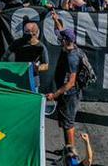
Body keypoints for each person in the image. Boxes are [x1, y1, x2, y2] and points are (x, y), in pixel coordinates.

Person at [46, 17, 84, 150]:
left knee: (68, 124)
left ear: (65, 41)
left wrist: (54, 95)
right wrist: (55, 19)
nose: (58, 38)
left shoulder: (71, 57)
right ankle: (67, 148)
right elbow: (61, 30)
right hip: (67, 94)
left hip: (70, 95)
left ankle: (71, 152)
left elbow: (70, 83)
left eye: (61, 38)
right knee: (65, 123)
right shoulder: (70, 45)